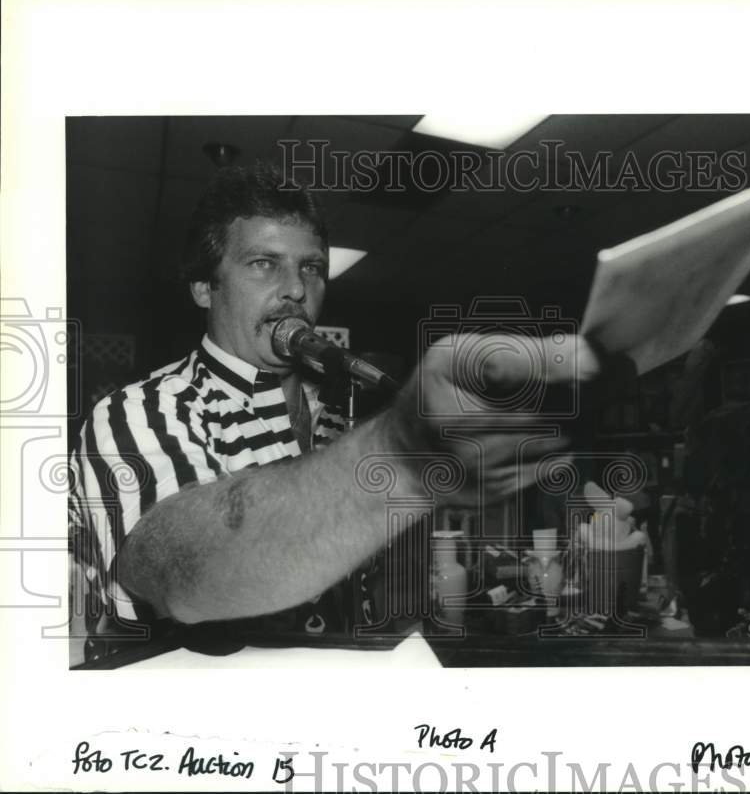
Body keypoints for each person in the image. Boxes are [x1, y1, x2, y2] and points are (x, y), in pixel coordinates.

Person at [68, 162, 598, 644]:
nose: (296, 289)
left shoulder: (342, 416)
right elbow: (182, 577)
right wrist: (400, 453)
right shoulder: (140, 413)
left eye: (312, 268)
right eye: (262, 264)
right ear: (205, 288)